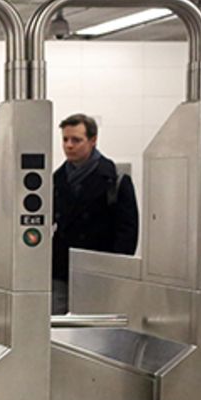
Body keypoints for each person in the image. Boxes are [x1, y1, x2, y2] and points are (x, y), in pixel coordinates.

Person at [52, 113, 139, 314]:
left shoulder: (116, 180)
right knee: (56, 330)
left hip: (100, 272)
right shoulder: (56, 180)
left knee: (94, 334)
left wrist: (116, 272)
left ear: (93, 141)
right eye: (65, 139)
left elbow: (128, 232)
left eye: (76, 140)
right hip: (62, 273)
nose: (69, 146)